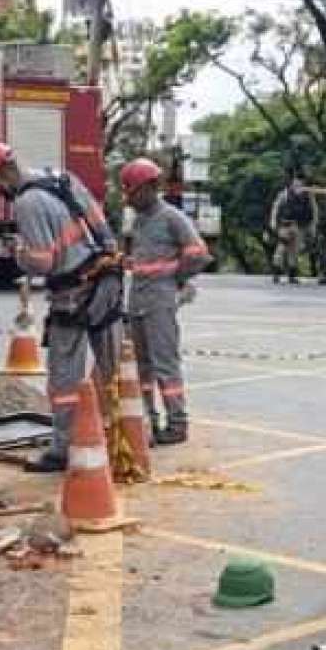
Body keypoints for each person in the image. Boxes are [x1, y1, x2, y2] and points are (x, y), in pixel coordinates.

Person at [0, 141, 122, 473]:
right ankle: (125, 435)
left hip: (72, 292)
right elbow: (101, 223)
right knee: (113, 364)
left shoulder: (26, 203)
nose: (0, 193)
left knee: (64, 377)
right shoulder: (62, 178)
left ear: (2, 175)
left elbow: (43, 262)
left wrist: (18, 254)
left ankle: (62, 448)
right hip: (106, 278)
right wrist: (107, 257)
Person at [122, 157, 211, 444]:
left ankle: (177, 422)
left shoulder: (172, 217)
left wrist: (175, 279)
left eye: (132, 192)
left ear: (149, 188)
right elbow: (140, 260)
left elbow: (198, 253)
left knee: (165, 364)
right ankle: (147, 420)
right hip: (137, 301)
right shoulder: (139, 221)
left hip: (159, 300)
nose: (129, 198)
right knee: (140, 367)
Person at [268, 178, 313, 284]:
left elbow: (312, 211)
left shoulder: (307, 196)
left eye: (300, 183)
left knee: (294, 251)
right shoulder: (284, 194)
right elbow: (275, 207)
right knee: (281, 248)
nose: (298, 185)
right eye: (296, 183)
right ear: (292, 184)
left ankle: (292, 276)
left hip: (299, 226)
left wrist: (311, 226)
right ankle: (276, 274)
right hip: (285, 224)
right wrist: (273, 221)